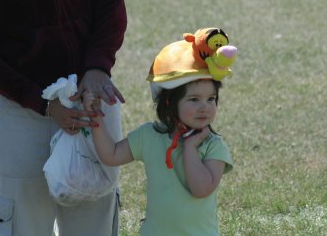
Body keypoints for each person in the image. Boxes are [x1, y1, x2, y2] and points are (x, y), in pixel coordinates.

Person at [0, 0, 127, 235]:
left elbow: (110, 2)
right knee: (21, 223)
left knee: (93, 220)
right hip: (17, 110)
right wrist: (41, 103)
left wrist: (97, 67)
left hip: (86, 97)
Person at [85, 27, 235, 236]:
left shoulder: (213, 145)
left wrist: (190, 148)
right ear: (168, 102)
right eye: (194, 100)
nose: (205, 107)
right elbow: (111, 155)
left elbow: (201, 189)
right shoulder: (149, 135)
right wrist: (96, 117)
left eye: (211, 99)